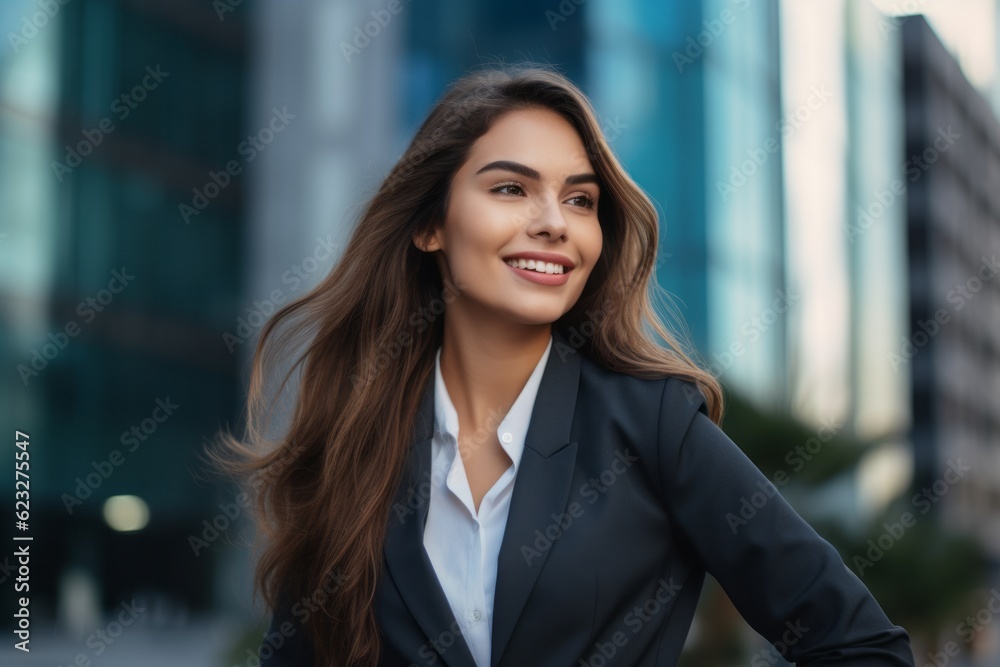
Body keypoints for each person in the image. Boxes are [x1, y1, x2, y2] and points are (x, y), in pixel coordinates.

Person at [211, 64, 915, 666]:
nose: (555, 220)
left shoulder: (655, 425)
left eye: (580, 199)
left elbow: (862, 647)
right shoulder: (357, 439)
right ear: (430, 225)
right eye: (511, 188)